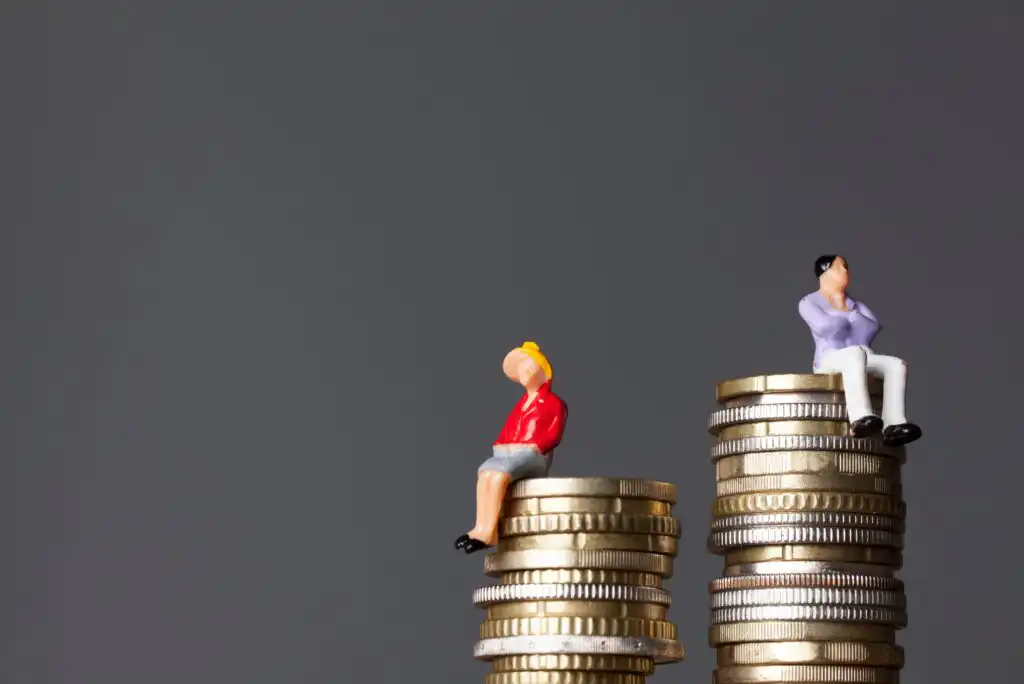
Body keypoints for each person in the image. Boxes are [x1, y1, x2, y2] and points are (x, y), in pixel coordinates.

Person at [454, 341, 568, 554]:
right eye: (520, 367)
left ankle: (489, 532)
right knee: (485, 472)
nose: (523, 370)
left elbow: (553, 434)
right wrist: (500, 444)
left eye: (528, 364)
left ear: (543, 370)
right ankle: (479, 527)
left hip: (533, 456)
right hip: (508, 452)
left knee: (498, 476)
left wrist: (536, 446)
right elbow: (508, 430)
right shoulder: (521, 403)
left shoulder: (554, 403)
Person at [798, 255, 922, 447]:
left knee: (895, 365)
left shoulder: (854, 303)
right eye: (841, 267)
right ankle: (860, 417)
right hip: (830, 358)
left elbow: (871, 329)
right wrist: (848, 316)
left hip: (862, 356)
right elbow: (825, 328)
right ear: (826, 271)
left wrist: (844, 316)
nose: (846, 271)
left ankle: (894, 423)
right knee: (855, 353)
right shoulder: (809, 302)